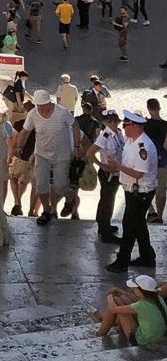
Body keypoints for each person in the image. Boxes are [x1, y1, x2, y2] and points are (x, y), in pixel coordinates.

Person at [105, 110, 158, 274]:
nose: (123, 127)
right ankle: (147, 257)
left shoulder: (144, 146)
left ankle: (122, 261)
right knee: (138, 224)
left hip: (140, 192)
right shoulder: (130, 140)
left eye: (126, 125)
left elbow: (138, 173)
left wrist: (117, 166)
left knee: (129, 226)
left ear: (134, 126)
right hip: (132, 190)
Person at [18, 89, 79, 225]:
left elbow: (75, 126)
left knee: (60, 186)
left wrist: (75, 146)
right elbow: (25, 131)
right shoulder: (33, 114)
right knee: (40, 185)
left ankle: (70, 197)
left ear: (49, 103)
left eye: (42, 105)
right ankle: (46, 211)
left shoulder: (62, 112)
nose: (40, 108)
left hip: (61, 155)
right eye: (38, 105)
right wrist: (19, 146)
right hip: (42, 154)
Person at [94, 275, 167, 348]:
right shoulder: (158, 298)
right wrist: (119, 291)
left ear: (140, 291)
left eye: (134, 288)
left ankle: (100, 334)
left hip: (140, 341)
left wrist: (109, 296)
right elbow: (135, 299)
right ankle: (109, 322)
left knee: (116, 301)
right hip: (158, 336)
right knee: (122, 299)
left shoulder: (141, 305)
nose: (132, 290)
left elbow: (113, 309)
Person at [88, 109, 124, 243]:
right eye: (110, 121)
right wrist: (102, 165)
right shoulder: (104, 136)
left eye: (115, 120)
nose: (113, 123)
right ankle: (105, 233)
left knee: (108, 199)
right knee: (107, 202)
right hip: (108, 174)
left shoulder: (119, 133)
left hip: (116, 173)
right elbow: (90, 153)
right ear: (105, 122)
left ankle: (104, 225)